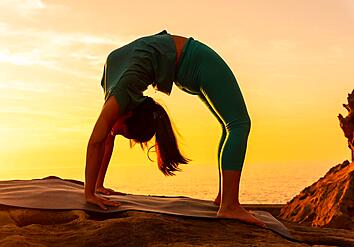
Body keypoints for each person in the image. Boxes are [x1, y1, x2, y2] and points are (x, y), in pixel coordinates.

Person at [84, 30, 266, 228]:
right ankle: (227, 202)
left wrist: (88, 193)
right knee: (234, 125)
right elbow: (103, 141)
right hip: (186, 65)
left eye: (122, 132)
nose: (115, 131)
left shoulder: (121, 93)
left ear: (129, 114)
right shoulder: (117, 98)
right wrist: (96, 188)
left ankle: (226, 202)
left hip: (198, 60)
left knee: (236, 125)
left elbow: (96, 141)